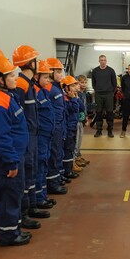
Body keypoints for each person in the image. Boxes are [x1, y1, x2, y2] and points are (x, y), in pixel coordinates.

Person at [0, 55, 32, 246]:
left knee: (14, 192)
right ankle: (8, 235)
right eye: (11, 76)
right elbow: (1, 136)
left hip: (13, 153)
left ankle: (14, 229)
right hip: (7, 157)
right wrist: (11, 161)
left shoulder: (5, 96)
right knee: (8, 194)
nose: (15, 79)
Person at [12, 45, 47, 226]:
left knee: (31, 170)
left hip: (32, 135)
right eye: (34, 59)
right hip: (25, 136)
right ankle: (23, 213)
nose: (37, 62)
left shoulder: (28, 84)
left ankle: (31, 205)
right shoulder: (21, 84)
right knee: (25, 174)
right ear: (28, 63)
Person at [33, 60, 56, 210]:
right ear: (36, 76)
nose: (48, 81)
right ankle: (38, 199)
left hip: (46, 135)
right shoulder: (34, 92)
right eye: (45, 77)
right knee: (39, 166)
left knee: (44, 164)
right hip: (40, 135)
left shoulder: (41, 91)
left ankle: (42, 196)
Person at [45, 57, 68, 195]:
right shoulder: (49, 89)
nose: (61, 75)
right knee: (53, 154)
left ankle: (57, 177)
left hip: (61, 125)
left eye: (61, 72)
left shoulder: (57, 88)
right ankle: (52, 183)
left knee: (58, 152)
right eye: (58, 72)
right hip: (54, 127)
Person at [92, 54, 117, 137]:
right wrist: (98, 90)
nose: (103, 62)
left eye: (104, 60)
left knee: (110, 113)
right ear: (99, 61)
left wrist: (111, 92)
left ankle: (110, 130)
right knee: (98, 113)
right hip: (99, 94)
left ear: (106, 61)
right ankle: (99, 130)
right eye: (101, 60)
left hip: (109, 94)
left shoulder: (111, 71)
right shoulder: (95, 71)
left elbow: (114, 84)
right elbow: (93, 83)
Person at [61, 75, 81, 179]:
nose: (74, 88)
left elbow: (81, 107)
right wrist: (74, 99)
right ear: (66, 88)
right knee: (68, 149)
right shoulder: (66, 99)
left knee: (71, 148)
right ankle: (67, 171)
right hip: (68, 127)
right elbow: (74, 109)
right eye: (72, 86)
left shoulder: (73, 97)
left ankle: (69, 168)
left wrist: (76, 98)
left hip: (73, 126)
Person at [74, 75, 90, 170]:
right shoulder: (77, 94)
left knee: (80, 139)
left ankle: (78, 156)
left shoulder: (83, 94)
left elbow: (84, 107)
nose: (83, 84)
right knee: (76, 139)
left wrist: (86, 117)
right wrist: (83, 118)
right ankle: (75, 158)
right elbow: (79, 108)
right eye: (81, 82)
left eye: (85, 82)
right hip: (78, 120)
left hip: (82, 119)